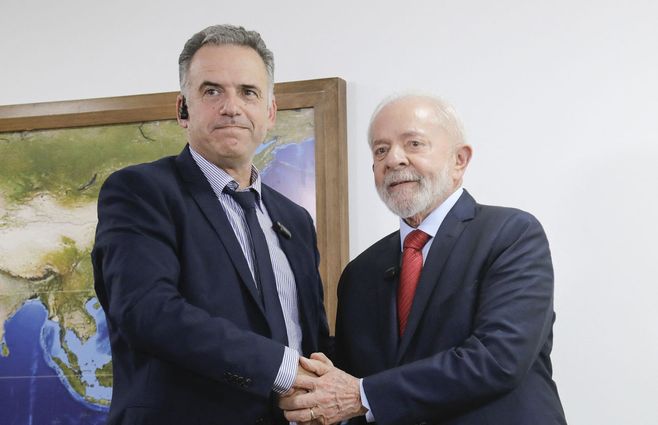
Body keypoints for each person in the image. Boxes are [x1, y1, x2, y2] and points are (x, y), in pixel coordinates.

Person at [91, 24, 331, 425]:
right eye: (212, 90)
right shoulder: (141, 192)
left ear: (269, 113)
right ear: (183, 109)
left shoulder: (296, 221)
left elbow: (312, 337)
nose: (231, 106)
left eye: (248, 92)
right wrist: (283, 368)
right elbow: (148, 312)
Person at [280, 94, 567, 425]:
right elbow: (346, 383)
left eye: (414, 144)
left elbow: (498, 359)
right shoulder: (360, 273)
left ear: (460, 160)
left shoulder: (511, 235)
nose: (394, 160)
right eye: (380, 150)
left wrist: (361, 395)